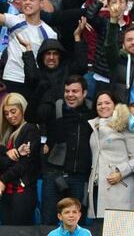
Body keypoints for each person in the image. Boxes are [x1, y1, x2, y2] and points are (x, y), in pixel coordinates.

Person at [0, 0, 58, 95]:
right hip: (11, 78)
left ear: (41, 3)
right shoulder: (15, 20)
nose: (27, 2)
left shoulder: (49, 33)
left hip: (34, 82)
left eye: (32, 0)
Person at [39, 76, 94, 225]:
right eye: (67, 91)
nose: (70, 95)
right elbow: (32, 116)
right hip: (54, 174)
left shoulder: (93, 112)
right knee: (48, 222)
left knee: (77, 224)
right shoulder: (54, 108)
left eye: (75, 91)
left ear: (84, 93)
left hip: (79, 177)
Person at [87, 94, 134, 219]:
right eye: (99, 104)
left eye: (107, 103)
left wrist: (120, 172)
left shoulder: (126, 125)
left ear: (115, 105)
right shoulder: (94, 126)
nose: (103, 106)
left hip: (120, 187)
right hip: (97, 188)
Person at [0, 93, 40, 225]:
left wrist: (2, 180)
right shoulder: (6, 134)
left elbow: (23, 165)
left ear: (22, 109)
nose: (10, 116)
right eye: (6, 113)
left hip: (22, 192)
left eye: (13, 111)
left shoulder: (30, 129)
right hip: (6, 192)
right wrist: (8, 153)